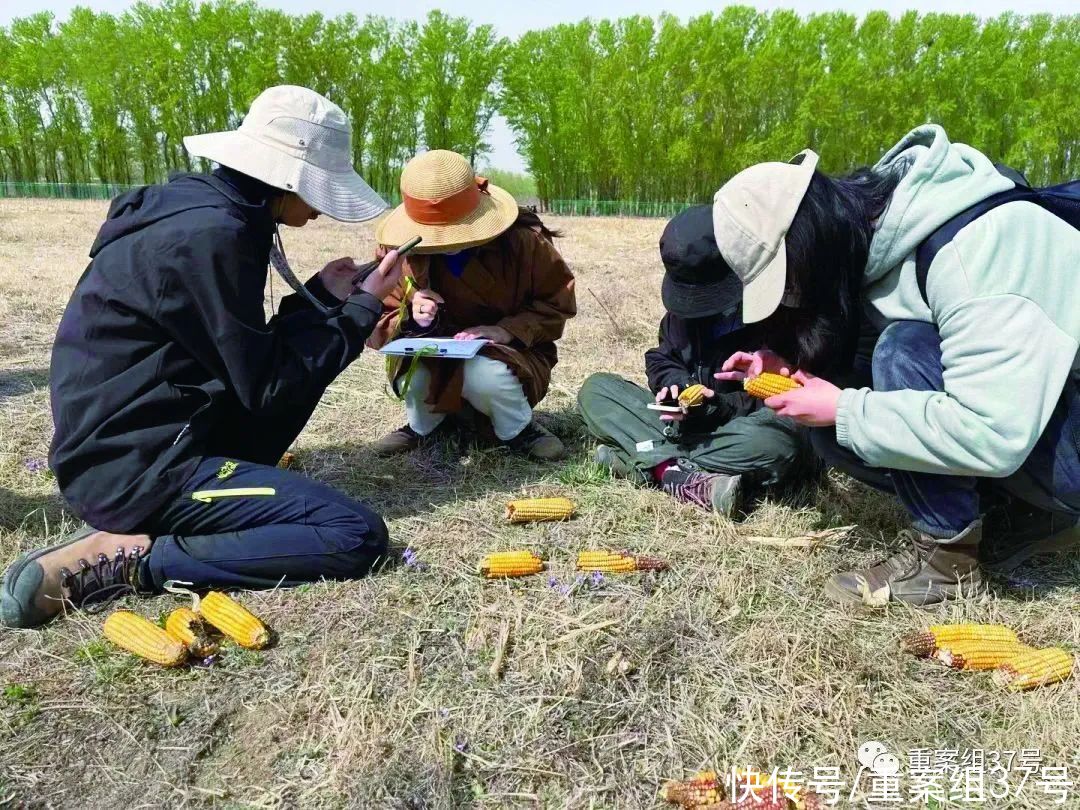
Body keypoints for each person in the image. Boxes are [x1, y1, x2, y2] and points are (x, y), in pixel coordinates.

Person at [1, 86, 405, 629]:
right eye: (319, 191)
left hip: (122, 445)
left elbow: (245, 358)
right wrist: (361, 308)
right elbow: (268, 388)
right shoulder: (215, 236)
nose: (319, 208)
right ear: (287, 180)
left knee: (296, 379)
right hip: (142, 470)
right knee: (353, 534)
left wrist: (328, 297)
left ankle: (146, 525)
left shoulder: (202, 213)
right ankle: (141, 561)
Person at [712, 125, 1080, 606]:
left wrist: (844, 408)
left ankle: (948, 562)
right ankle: (1014, 511)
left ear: (812, 242)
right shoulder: (877, 235)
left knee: (900, 350)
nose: (794, 298)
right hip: (1035, 412)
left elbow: (994, 431)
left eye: (792, 283)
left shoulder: (973, 249)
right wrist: (787, 369)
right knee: (838, 422)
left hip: (1041, 435)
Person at [577, 205, 811, 516]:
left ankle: (650, 465)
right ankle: (676, 472)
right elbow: (663, 357)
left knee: (780, 443)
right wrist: (676, 386)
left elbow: (790, 396)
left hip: (742, 427)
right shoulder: (681, 317)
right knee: (597, 390)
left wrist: (720, 406)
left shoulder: (780, 309)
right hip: (688, 429)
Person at [368, 150, 576, 460]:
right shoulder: (398, 250)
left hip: (511, 353)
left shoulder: (522, 242)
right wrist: (411, 310)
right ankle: (424, 425)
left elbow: (556, 302)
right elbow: (376, 309)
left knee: (485, 375)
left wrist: (505, 331)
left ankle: (518, 428)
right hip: (432, 353)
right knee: (417, 376)